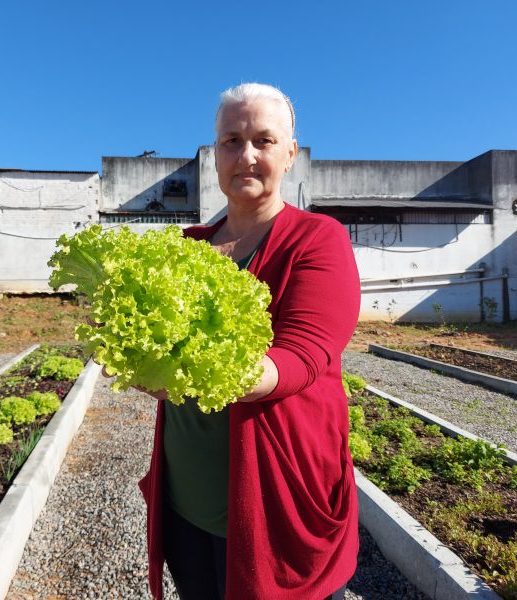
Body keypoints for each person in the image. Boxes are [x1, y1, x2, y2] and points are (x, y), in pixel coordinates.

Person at [138, 83, 361, 600]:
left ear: (290, 154)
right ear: (216, 154)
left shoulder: (316, 238)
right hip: (185, 498)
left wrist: (200, 370)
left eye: (264, 140)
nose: (247, 155)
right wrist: (137, 362)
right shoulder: (186, 247)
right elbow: (161, 365)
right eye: (232, 140)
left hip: (276, 496)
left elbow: (303, 357)